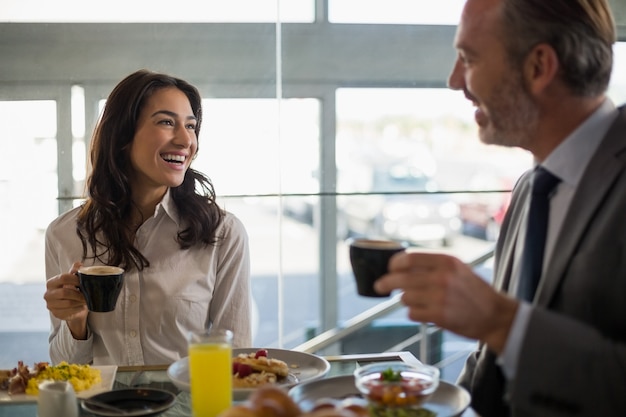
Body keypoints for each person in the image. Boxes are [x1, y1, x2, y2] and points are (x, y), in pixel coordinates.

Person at [374, 0, 626, 415]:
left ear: (539, 67)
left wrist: (500, 321)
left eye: (468, 59)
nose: (455, 81)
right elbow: (494, 370)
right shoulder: (532, 189)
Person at [43, 69, 252, 366]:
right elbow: (65, 366)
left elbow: (235, 359)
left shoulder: (223, 233)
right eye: (167, 122)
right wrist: (75, 323)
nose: (185, 140)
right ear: (122, 136)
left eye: (191, 126)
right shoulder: (64, 235)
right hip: (102, 410)